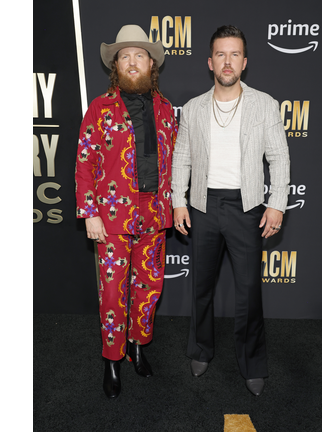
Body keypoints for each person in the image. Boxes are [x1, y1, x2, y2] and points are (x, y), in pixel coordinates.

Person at [171, 25, 291, 396]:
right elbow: (183, 157)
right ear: (210, 62)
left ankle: (253, 364)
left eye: (234, 54)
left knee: (249, 292)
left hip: (247, 207)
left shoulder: (265, 105)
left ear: (245, 62)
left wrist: (277, 204)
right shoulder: (192, 109)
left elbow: (279, 157)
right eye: (220, 54)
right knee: (201, 288)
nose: (227, 61)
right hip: (203, 206)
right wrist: (178, 200)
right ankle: (201, 349)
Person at [75, 24, 177, 399]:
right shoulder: (100, 108)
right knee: (114, 292)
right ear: (115, 66)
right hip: (112, 219)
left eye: (139, 55)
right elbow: (85, 161)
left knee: (148, 290)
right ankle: (112, 360)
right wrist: (90, 212)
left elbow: (175, 162)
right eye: (125, 56)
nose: (132, 62)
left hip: (154, 217)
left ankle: (138, 347)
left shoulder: (166, 111)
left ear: (152, 64)